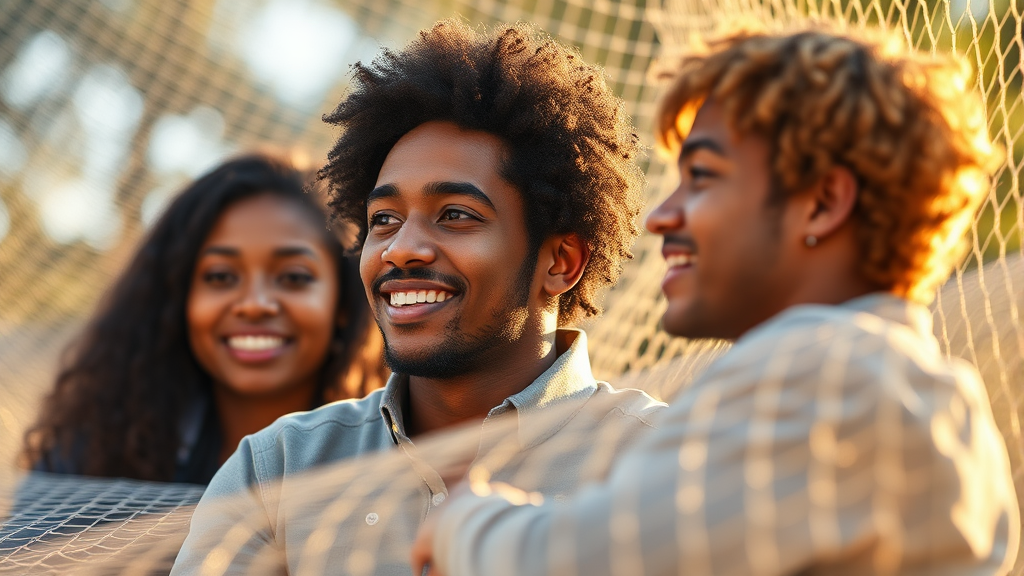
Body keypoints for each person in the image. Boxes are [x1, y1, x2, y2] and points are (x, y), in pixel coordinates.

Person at [411, 24, 1020, 575]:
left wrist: (467, 523)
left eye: (701, 177)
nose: (661, 216)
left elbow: (609, 556)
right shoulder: (942, 399)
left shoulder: (821, 372)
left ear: (822, 203)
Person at [171, 20, 663, 575]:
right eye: (384, 219)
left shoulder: (665, 464)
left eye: (455, 215)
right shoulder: (278, 468)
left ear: (561, 262)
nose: (400, 249)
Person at [21, 152, 386, 485]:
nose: (254, 305)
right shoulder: (87, 461)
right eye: (220, 276)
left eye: (293, 277)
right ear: (179, 298)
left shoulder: (396, 459)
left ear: (343, 303)